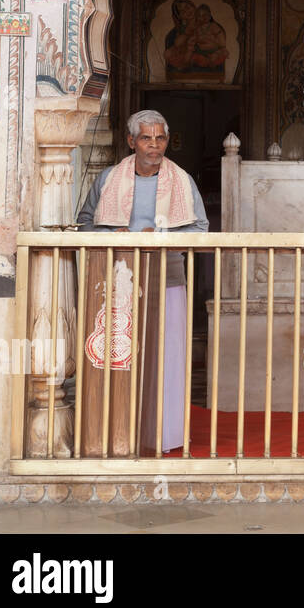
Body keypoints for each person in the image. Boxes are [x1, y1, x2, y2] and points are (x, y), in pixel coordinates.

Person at [77, 109, 208, 453]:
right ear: (131, 141)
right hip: (117, 281)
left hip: (167, 277)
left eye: (160, 138)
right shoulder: (108, 178)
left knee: (167, 356)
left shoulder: (182, 181)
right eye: (146, 138)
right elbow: (85, 224)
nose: (154, 145)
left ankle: (164, 435)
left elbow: (200, 229)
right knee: (118, 356)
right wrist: (112, 233)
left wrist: (162, 234)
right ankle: (116, 432)